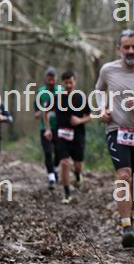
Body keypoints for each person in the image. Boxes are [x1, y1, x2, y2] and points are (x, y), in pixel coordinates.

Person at [95, 29, 134, 248]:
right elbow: (98, 91)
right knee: (124, 176)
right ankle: (126, 227)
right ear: (118, 49)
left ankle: (128, 211)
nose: (130, 51)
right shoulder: (108, 69)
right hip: (116, 129)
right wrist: (102, 109)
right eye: (126, 47)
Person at [44, 71, 92, 204]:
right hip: (61, 135)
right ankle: (66, 193)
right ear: (62, 83)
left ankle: (78, 174)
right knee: (64, 162)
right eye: (66, 83)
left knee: (78, 164)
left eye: (71, 82)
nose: (69, 85)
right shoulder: (57, 97)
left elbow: (90, 116)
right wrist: (48, 129)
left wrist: (80, 120)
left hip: (78, 136)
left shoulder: (80, 97)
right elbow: (45, 112)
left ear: (75, 82)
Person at [35, 67, 63, 190]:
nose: (51, 82)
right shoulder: (41, 91)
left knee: (59, 152)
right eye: (49, 79)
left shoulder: (61, 90)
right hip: (45, 127)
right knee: (47, 152)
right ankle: (51, 178)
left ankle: (55, 169)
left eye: (53, 79)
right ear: (45, 79)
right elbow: (36, 103)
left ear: (56, 79)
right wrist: (37, 111)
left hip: (59, 126)